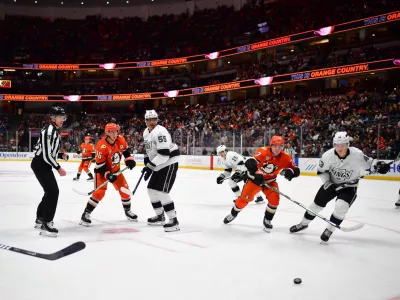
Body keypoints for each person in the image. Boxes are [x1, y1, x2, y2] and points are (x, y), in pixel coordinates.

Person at [290, 131, 390, 242]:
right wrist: (327, 182)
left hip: (349, 187)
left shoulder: (357, 154)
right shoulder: (328, 156)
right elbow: (321, 171)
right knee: (315, 206)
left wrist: (380, 165)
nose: (339, 148)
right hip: (331, 184)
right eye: (337, 145)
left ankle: (329, 230)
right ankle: (303, 224)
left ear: (347, 144)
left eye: (342, 145)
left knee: (340, 207)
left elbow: (371, 163)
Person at [223, 136, 300, 232]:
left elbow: (296, 169)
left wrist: (291, 172)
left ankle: (267, 219)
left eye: (280, 146)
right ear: (271, 145)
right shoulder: (263, 151)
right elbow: (251, 162)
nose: (277, 149)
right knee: (243, 200)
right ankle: (233, 214)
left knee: (274, 200)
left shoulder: (286, 157)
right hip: (255, 181)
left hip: (270, 182)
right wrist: (257, 173)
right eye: (275, 146)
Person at [79, 122, 137, 226]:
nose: (114, 134)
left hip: (116, 171)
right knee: (99, 193)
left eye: (115, 131)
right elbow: (100, 165)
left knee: (125, 191)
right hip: (101, 172)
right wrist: (108, 175)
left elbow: (126, 151)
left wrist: (129, 160)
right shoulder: (101, 146)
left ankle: (128, 212)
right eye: (111, 132)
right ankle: (86, 214)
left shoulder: (121, 139)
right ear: (106, 133)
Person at [31, 106, 69, 237]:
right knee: (53, 191)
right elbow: (46, 155)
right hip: (40, 163)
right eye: (60, 117)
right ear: (52, 118)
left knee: (49, 191)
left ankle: (40, 218)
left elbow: (49, 152)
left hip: (43, 163)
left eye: (63, 117)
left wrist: (59, 155)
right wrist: (58, 168)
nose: (62, 120)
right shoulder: (49, 131)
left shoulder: (54, 130)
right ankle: (47, 223)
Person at [142, 110, 180, 232]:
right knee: (151, 190)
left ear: (157, 120)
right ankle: (160, 216)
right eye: (149, 120)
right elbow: (148, 150)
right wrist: (147, 163)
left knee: (161, 191)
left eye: (154, 119)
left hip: (169, 162)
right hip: (159, 164)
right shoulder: (146, 132)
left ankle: (174, 220)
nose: (151, 122)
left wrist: (150, 166)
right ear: (146, 121)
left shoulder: (160, 132)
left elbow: (164, 155)